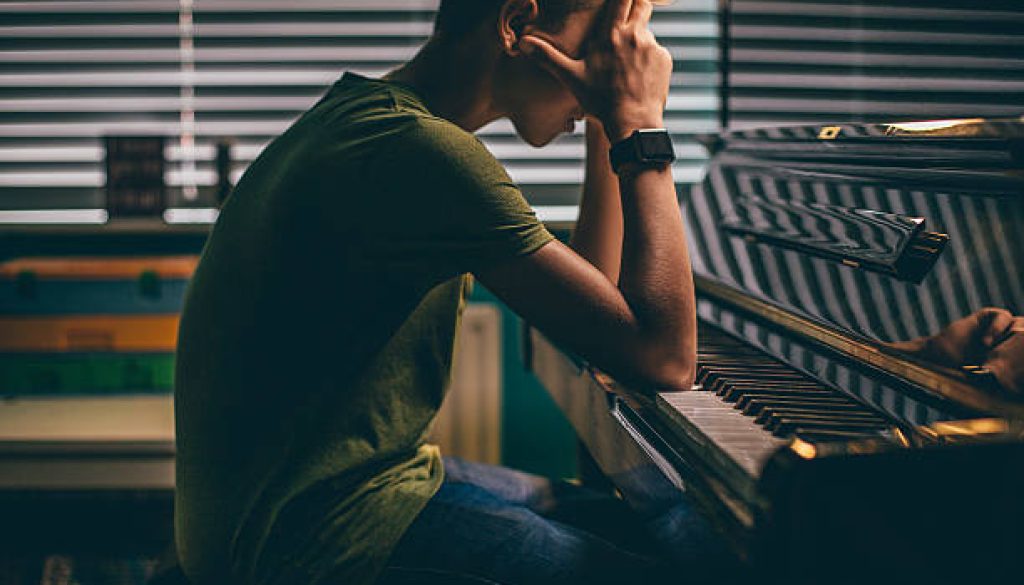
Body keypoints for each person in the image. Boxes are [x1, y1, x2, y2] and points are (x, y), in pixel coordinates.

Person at [173, 1, 714, 584]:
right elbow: (664, 356)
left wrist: (610, 117)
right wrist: (639, 121)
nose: (611, 68)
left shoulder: (371, 116)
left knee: (649, 528)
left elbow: (600, 309)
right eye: (600, 46)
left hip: (346, 488)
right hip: (305, 536)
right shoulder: (417, 149)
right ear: (516, 25)